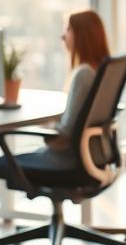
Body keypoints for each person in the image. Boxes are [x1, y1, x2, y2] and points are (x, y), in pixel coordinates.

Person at [47, 9, 111, 151]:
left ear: (83, 35)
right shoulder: (102, 71)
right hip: (94, 154)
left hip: (66, 159)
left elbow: (65, 135)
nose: (63, 36)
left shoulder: (84, 74)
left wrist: (43, 127)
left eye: (68, 29)